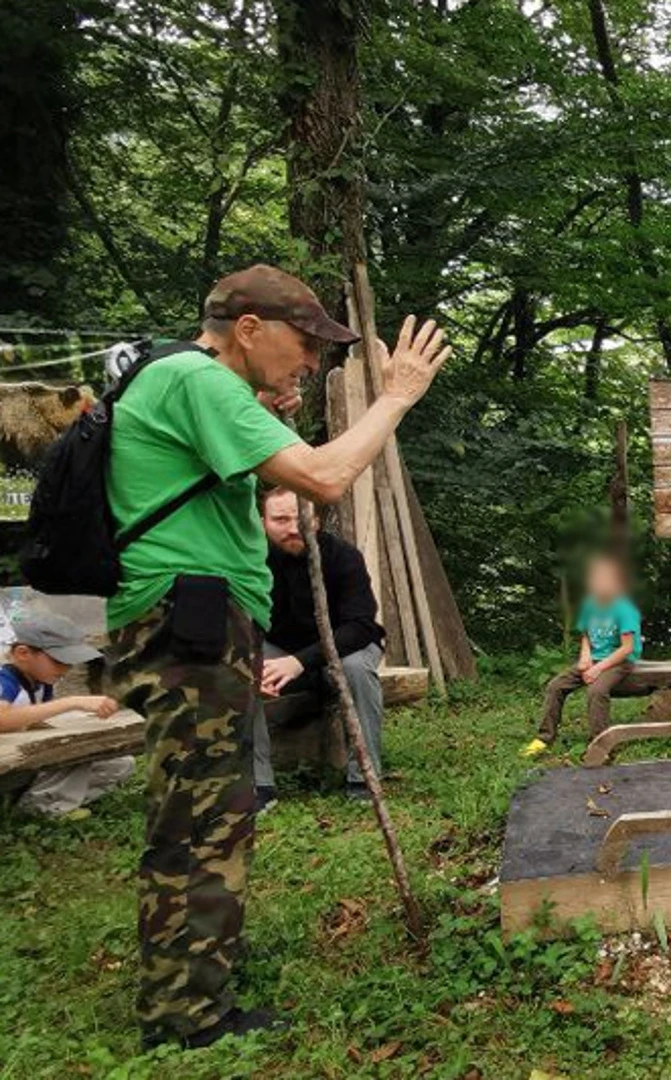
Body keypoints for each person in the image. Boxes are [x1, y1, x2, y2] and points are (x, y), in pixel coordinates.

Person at [97, 263, 449, 1050]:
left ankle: (199, 966)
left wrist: (262, 408)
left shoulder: (177, 380)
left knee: (207, 806)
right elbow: (324, 476)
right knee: (203, 815)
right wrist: (396, 395)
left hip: (186, 611)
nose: (310, 363)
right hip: (190, 613)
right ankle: (185, 1016)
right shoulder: (197, 378)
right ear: (248, 328)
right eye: (302, 343)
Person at [249, 486, 387, 809]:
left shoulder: (343, 557)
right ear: (262, 521)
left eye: (301, 518)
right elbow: (242, 620)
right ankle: (258, 786)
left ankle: (364, 777)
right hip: (281, 652)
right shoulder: (252, 562)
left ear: (318, 520)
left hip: (345, 649)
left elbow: (361, 627)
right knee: (239, 669)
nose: (293, 528)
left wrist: (300, 661)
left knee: (355, 668)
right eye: (280, 519)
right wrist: (256, 660)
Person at [0, 611, 131, 818]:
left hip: (23, 762)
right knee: (74, 754)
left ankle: (50, 800)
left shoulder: (41, 683)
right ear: (23, 653)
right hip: (8, 765)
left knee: (118, 764)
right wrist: (71, 702)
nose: (67, 668)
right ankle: (40, 810)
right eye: (59, 661)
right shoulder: (5, 680)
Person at [535, 553, 642, 748]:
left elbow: (626, 648)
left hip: (619, 660)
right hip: (594, 658)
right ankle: (544, 738)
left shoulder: (625, 609)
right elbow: (586, 635)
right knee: (555, 686)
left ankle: (599, 744)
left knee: (597, 690)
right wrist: (585, 658)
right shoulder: (589, 605)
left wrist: (598, 668)